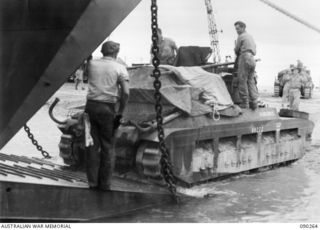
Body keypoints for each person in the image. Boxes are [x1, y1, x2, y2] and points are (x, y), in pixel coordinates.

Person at [85, 41, 130, 190]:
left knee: (91, 145)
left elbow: (85, 75)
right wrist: (120, 112)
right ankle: (104, 185)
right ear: (116, 53)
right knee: (108, 147)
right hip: (108, 109)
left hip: (90, 107)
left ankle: (92, 183)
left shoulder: (91, 64)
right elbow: (126, 92)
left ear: (102, 51)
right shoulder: (120, 68)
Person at [234, 21, 259, 110]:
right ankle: (254, 102)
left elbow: (236, 50)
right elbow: (255, 50)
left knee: (242, 80)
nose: (237, 31)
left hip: (244, 58)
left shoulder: (241, 37)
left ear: (243, 28)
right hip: (252, 59)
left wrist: (238, 51)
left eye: (238, 28)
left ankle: (245, 103)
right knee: (250, 80)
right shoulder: (250, 36)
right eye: (236, 29)